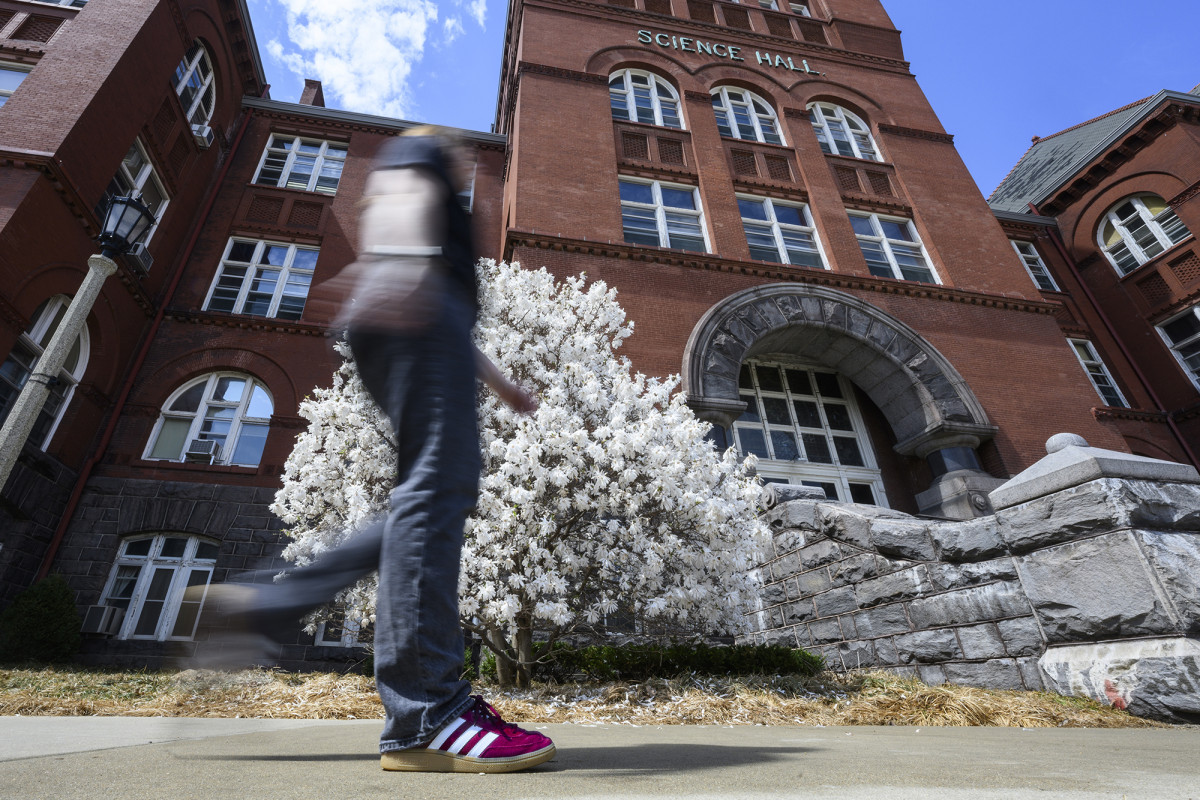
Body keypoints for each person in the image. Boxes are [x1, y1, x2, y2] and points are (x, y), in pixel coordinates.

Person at [198, 127, 554, 774]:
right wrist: (398, 268)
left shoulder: (438, 221)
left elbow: (450, 310)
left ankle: (267, 605)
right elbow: (397, 193)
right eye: (461, 154)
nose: (467, 161)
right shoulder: (420, 160)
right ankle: (428, 716)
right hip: (413, 312)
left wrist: (502, 385)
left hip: (425, 323)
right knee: (437, 490)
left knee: (426, 496)